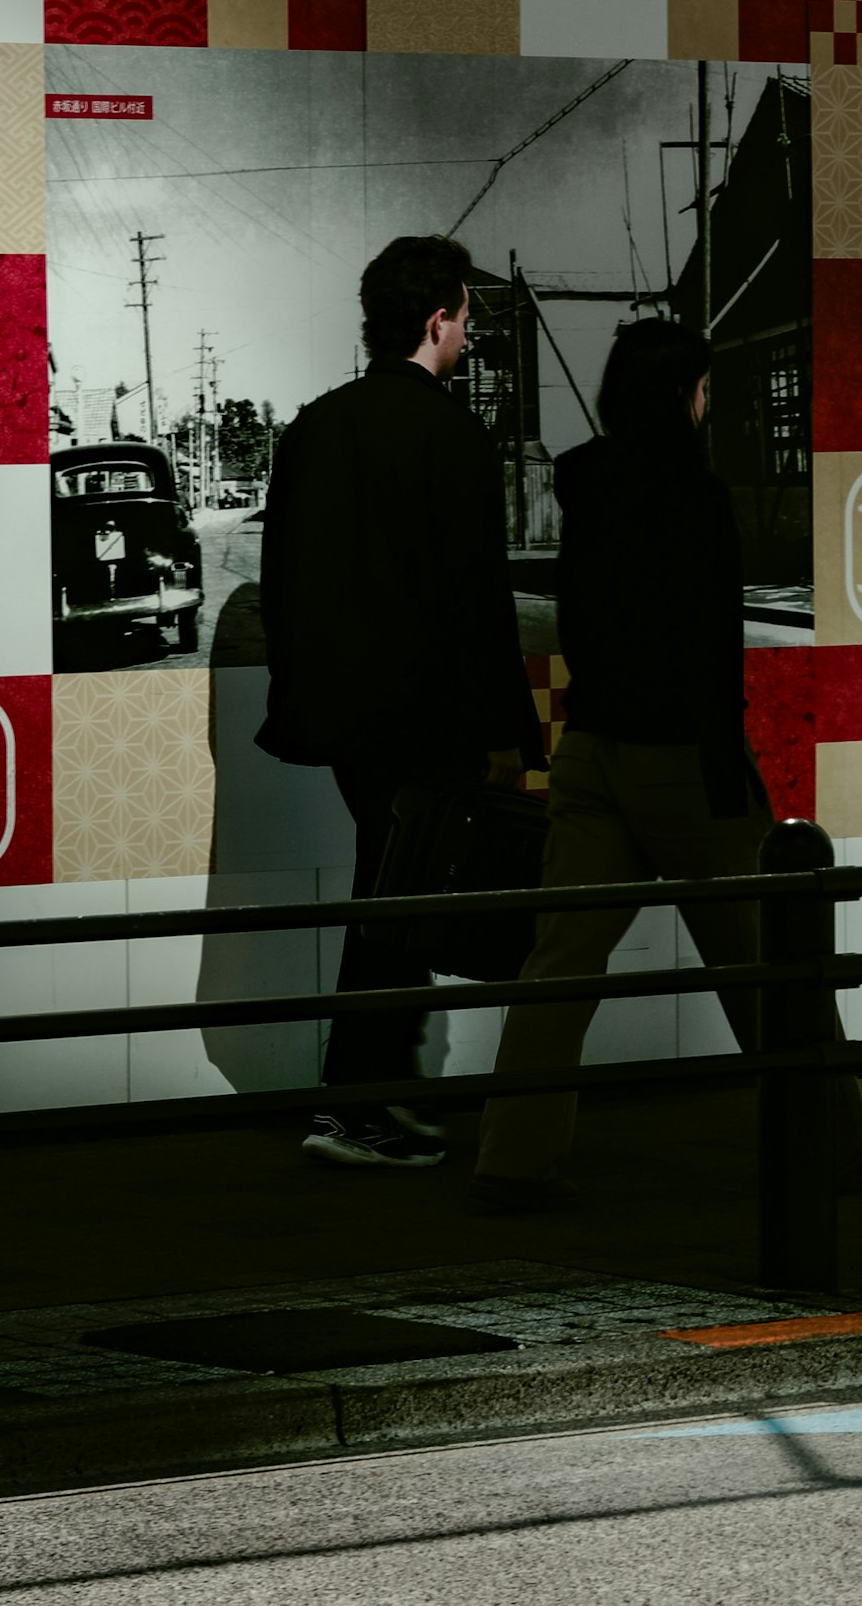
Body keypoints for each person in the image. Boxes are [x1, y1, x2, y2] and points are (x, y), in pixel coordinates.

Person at [470, 319, 862, 1209]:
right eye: (704, 389)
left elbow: (587, 618)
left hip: (595, 750)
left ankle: (510, 1164)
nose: (709, 404)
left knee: (558, 969)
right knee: (765, 960)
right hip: (683, 759)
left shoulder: (585, 481)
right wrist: (733, 771)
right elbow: (710, 649)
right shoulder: (696, 495)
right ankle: (829, 1137)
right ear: (684, 394)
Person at [257, 234, 540, 1170]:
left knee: (389, 887)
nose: (468, 337)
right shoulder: (452, 436)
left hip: (342, 720)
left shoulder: (314, 427)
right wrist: (509, 732)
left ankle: (364, 1098)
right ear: (436, 319)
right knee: (394, 899)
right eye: (464, 319)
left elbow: (281, 583)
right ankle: (353, 1106)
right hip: (428, 718)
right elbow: (475, 599)